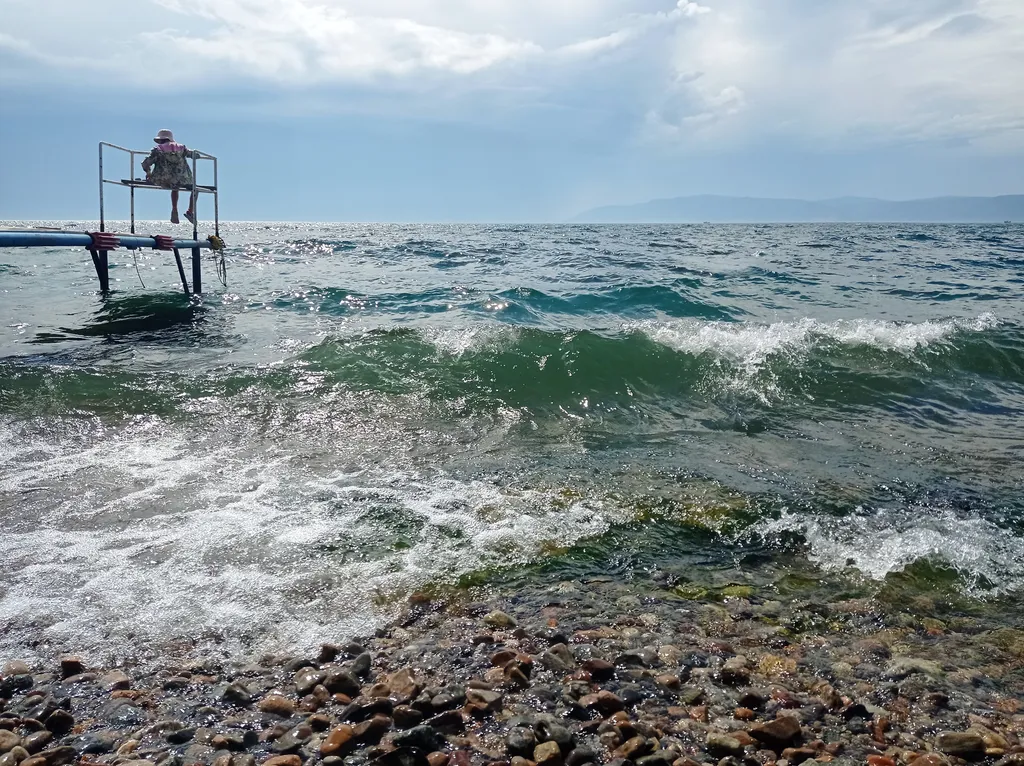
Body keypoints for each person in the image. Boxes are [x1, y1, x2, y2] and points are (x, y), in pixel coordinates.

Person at [142, 129, 200, 225]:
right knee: (194, 189)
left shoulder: (158, 149)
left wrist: (148, 173)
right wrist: (196, 154)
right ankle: (190, 211)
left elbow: (146, 163)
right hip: (182, 179)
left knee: (174, 187)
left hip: (162, 179)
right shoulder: (181, 148)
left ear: (160, 140)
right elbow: (194, 155)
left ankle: (174, 209)